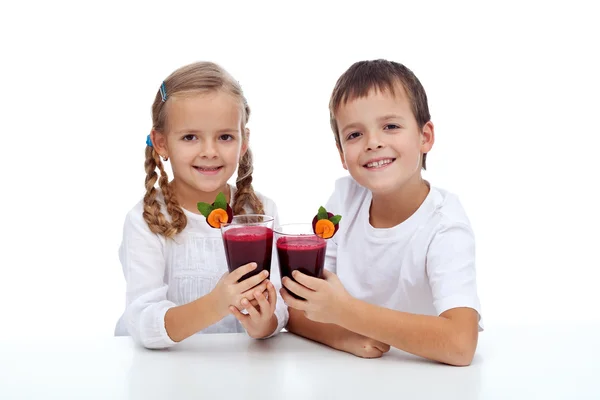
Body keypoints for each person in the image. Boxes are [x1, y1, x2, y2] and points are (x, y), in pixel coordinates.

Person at [281, 59, 483, 366]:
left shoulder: (445, 226)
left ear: (424, 137)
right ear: (342, 155)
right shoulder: (344, 200)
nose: (373, 142)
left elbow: (460, 344)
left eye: (390, 126)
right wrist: (344, 337)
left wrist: (344, 313)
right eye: (354, 135)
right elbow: (298, 309)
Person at [115, 61, 287, 349]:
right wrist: (215, 304)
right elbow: (143, 321)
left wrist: (265, 323)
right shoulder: (146, 220)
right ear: (161, 143)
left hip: (239, 370)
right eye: (190, 137)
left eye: (225, 137)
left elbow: (279, 302)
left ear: (243, 142)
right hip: (162, 375)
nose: (209, 151)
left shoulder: (260, 212)